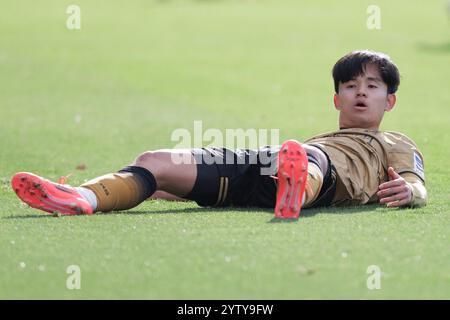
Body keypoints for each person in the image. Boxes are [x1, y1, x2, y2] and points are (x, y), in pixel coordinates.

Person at [11, 50, 427, 219]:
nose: (360, 92)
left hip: (320, 175)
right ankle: (81, 198)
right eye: (350, 86)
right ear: (336, 99)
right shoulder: (316, 139)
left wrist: (411, 193)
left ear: (389, 102)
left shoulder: (397, 143)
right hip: (267, 166)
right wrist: (169, 188)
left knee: (303, 157)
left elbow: (416, 184)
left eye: (372, 87)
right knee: (154, 162)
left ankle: (296, 190)